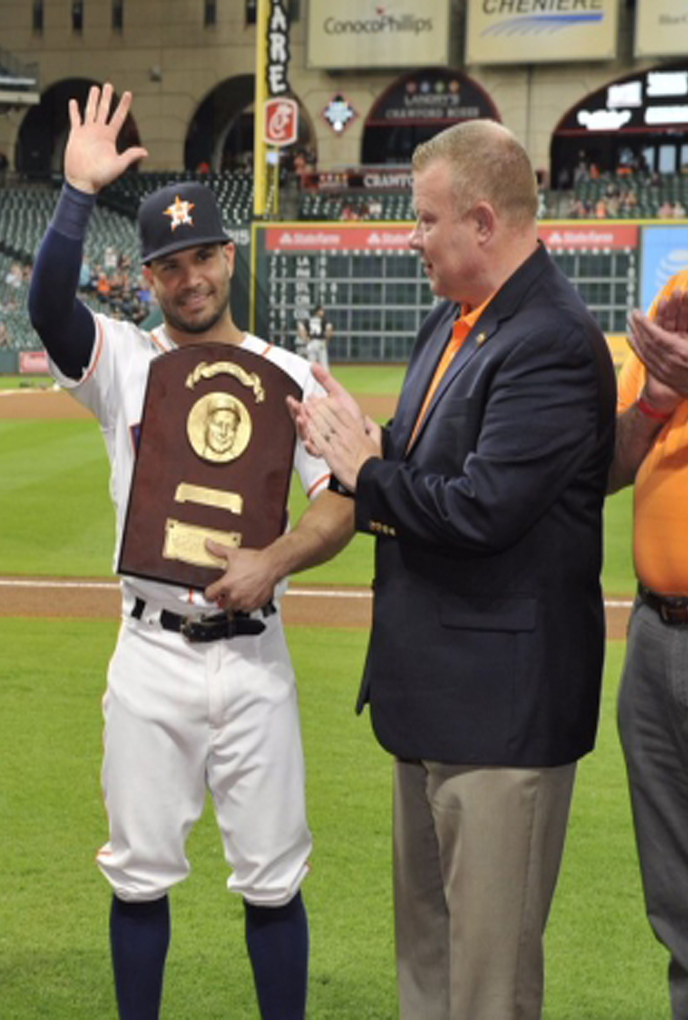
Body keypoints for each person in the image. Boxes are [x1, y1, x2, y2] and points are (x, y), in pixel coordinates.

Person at [253, 119, 615, 1019]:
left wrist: (364, 472)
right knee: (428, 963)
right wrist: (371, 446)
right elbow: (428, 470)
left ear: (483, 222)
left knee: (486, 985)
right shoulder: (455, 320)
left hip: (499, 717)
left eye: (423, 221)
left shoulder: (553, 341)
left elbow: (481, 510)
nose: (411, 239)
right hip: (433, 702)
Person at [27, 83, 353, 1020]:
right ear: (150, 275)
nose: (191, 277)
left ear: (228, 254)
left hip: (253, 652)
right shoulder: (123, 360)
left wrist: (275, 560)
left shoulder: (291, 377)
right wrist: (77, 195)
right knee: (138, 876)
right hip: (152, 653)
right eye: (170, 264)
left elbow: (340, 507)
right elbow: (52, 310)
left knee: (273, 876)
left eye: (203, 255)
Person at [609, 270, 688, 1018]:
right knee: (677, 900)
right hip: (657, 635)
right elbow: (610, 464)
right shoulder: (679, 296)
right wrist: (658, 398)